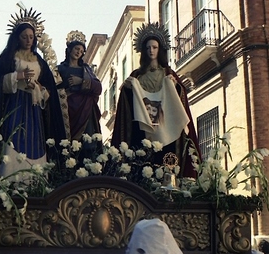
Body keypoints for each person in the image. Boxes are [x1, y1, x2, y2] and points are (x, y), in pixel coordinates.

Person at [0, 8, 66, 172]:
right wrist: (18, 76)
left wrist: (38, 88)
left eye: (31, 37)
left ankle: (34, 180)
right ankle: (10, 176)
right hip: (15, 106)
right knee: (13, 138)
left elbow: (49, 94)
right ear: (17, 38)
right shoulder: (8, 58)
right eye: (24, 37)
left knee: (35, 143)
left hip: (34, 112)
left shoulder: (40, 62)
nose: (28, 40)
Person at [111, 22, 201, 178]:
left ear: (160, 50)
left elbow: (181, 95)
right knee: (145, 161)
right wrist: (127, 88)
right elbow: (127, 101)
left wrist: (175, 87)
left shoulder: (167, 72)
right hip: (143, 127)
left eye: (154, 47)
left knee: (167, 161)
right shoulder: (137, 75)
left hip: (166, 125)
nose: (151, 51)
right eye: (147, 48)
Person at [55, 30, 102, 152]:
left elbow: (98, 88)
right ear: (70, 49)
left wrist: (80, 81)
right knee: (66, 144)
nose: (78, 53)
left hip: (85, 111)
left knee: (87, 145)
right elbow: (54, 89)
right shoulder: (60, 69)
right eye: (76, 49)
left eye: (81, 51)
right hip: (67, 110)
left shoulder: (86, 69)